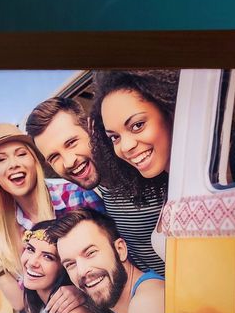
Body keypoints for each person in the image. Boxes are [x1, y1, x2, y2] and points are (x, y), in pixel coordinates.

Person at [25, 76, 177, 277]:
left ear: (91, 129)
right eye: (54, 157)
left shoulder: (147, 166)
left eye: (71, 143)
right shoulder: (91, 197)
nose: (69, 161)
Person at [0, 122, 104, 313]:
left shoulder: (76, 194)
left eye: (21, 154)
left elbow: (118, 260)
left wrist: (82, 290)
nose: (13, 164)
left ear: (35, 162)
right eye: (1, 159)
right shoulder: (11, 228)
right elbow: (20, 302)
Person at [46, 208, 165, 313]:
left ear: (120, 250)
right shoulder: (119, 310)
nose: (81, 271)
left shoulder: (147, 303)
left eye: (90, 253)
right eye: (70, 264)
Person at [18, 221, 110, 313]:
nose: (32, 262)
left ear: (65, 267)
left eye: (47, 257)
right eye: (30, 249)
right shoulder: (37, 304)